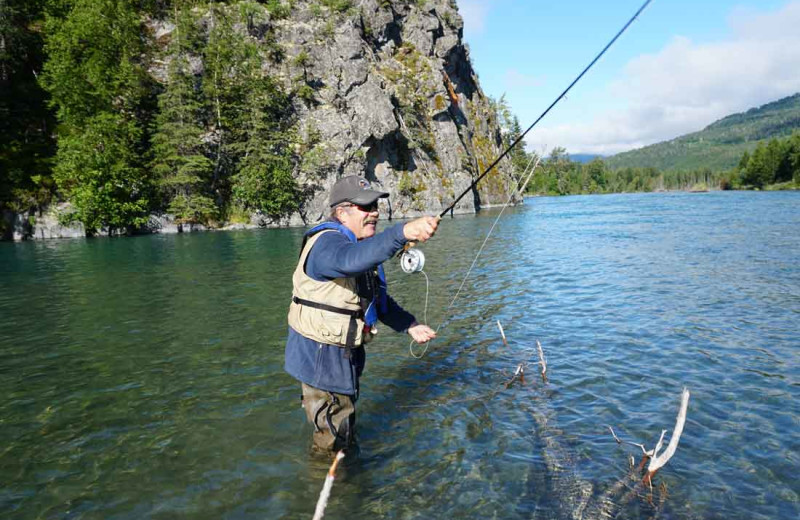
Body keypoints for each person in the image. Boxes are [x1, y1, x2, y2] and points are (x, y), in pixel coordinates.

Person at [285, 175, 439, 452]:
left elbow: (376, 298)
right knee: (332, 436)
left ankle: (342, 467)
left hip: (345, 353)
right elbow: (347, 261)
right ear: (341, 213)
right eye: (366, 207)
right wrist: (402, 233)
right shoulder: (326, 244)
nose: (375, 212)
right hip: (322, 357)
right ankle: (329, 484)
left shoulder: (359, 246)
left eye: (376, 206)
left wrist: (409, 325)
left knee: (343, 420)